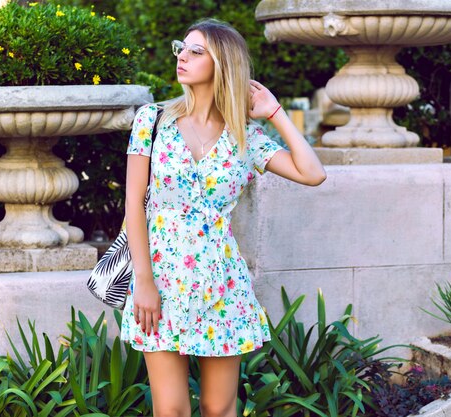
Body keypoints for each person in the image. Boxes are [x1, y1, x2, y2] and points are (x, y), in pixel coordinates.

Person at [121, 18, 326, 417]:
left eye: (197, 51)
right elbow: (133, 205)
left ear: (223, 65)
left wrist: (276, 113)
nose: (182, 55)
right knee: (172, 410)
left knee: (219, 409)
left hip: (222, 284)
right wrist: (143, 281)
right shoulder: (152, 121)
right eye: (183, 47)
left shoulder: (245, 137)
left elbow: (313, 173)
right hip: (160, 281)